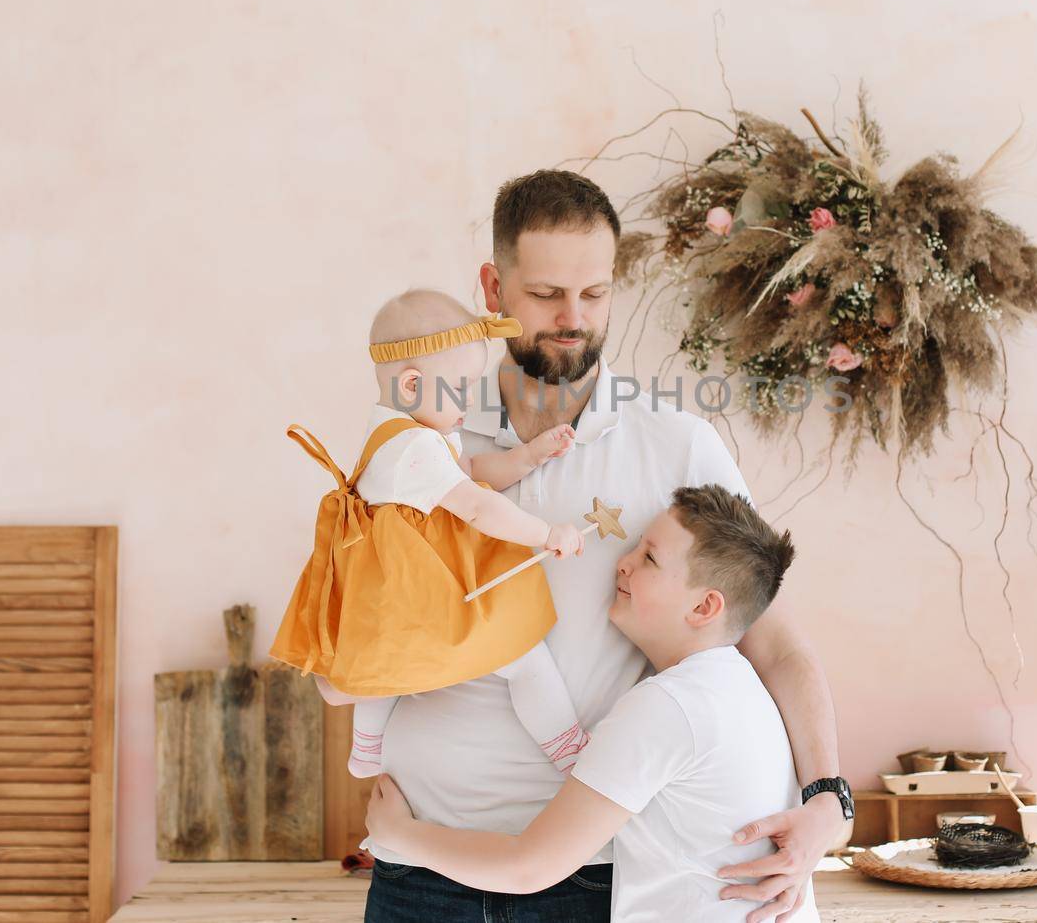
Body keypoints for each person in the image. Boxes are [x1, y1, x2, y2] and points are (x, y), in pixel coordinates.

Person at [364, 170, 849, 923]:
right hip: (416, 866)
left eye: (595, 294)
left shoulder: (676, 445)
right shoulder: (424, 434)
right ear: (493, 287)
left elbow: (775, 643)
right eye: (547, 293)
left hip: (589, 878)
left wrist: (829, 797)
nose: (573, 317)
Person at [366, 484, 821, 923]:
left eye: (649, 558)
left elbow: (530, 867)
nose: (623, 564)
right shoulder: (739, 690)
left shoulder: (669, 707)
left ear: (704, 607)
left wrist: (399, 834)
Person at [269, 288, 593, 775]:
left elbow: (471, 472)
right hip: (430, 592)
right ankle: (566, 745)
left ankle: (368, 746)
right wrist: (546, 533)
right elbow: (477, 505)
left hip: (400, 597)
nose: (471, 400)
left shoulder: (403, 438)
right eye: (461, 388)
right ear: (412, 385)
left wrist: (526, 457)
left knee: (391, 670)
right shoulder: (414, 449)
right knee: (523, 651)